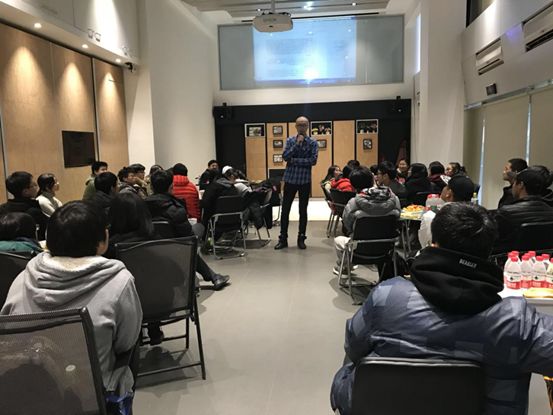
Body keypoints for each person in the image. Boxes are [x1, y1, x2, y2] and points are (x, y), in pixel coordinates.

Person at [331, 203, 553, 415]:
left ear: (433, 245)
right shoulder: (516, 320)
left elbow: (353, 345)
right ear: (489, 252)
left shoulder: (387, 296)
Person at [1, 201, 142, 412]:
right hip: (89, 397)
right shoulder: (119, 282)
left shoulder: (23, 278)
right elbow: (126, 341)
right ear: (103, 239)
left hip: (27, 395)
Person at [145, 170, 230, 290]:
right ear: (171, 187)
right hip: (176, 247)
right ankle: (213, 276)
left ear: (152, 187)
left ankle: (213, 276)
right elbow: (188, 238)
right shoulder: (175, 208)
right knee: (197, 230)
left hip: (148, 248)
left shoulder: (140, 207)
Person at [333, 167, 400, 275]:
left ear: (353, 185)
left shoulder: (353, 203)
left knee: (338, 240)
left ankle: (345, 268)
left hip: (359, 249)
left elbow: (347, 225)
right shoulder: (394, 199)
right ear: (372, 180)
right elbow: (398, 220)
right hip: (387, 248)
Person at [275, 116, 319, 250]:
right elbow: (285, 157)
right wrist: (296, 145)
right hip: (290, 179)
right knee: (285, 210)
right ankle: (283, 238)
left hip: (304, 180)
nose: (302, 127)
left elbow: (313, 161)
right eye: (299, 125)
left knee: (303, 210)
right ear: (296, 126)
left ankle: (301, 237)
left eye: (304, 125)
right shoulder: (290, 140)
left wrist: (294, 161)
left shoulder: (313, 142)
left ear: (308, 126)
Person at [494, 168, 553, 253]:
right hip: (544, 259)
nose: (512, 187)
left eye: (514, 183)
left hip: (509, 259)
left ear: (521, 185)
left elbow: (493, 242)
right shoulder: (550, 211)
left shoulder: (505, 213)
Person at [418, 175, 475, 248]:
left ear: (449, 193)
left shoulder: (430, 217)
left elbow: (425, 245)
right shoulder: (476, 217)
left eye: (446, 186)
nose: (443, 188)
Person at [0, 171, 47, 240]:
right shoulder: (33, 212)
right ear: (25, 191)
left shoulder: (2, 209)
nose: (37, 187)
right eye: (34, 185)